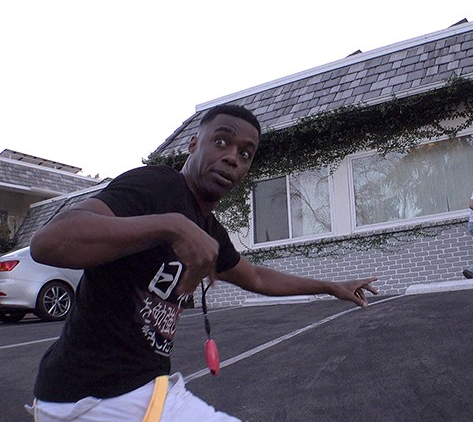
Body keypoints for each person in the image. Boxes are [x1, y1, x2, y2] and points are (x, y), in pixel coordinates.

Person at [26, 104, 378, 421]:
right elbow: (48, 243)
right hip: (97, 398)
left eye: (245, 153)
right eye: (222, 142)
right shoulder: (158, 186)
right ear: (194, 145)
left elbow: (256, 277)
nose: (233, 158)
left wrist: (330, 286)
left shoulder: (210, 230)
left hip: (140, 390)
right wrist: (171, 226)